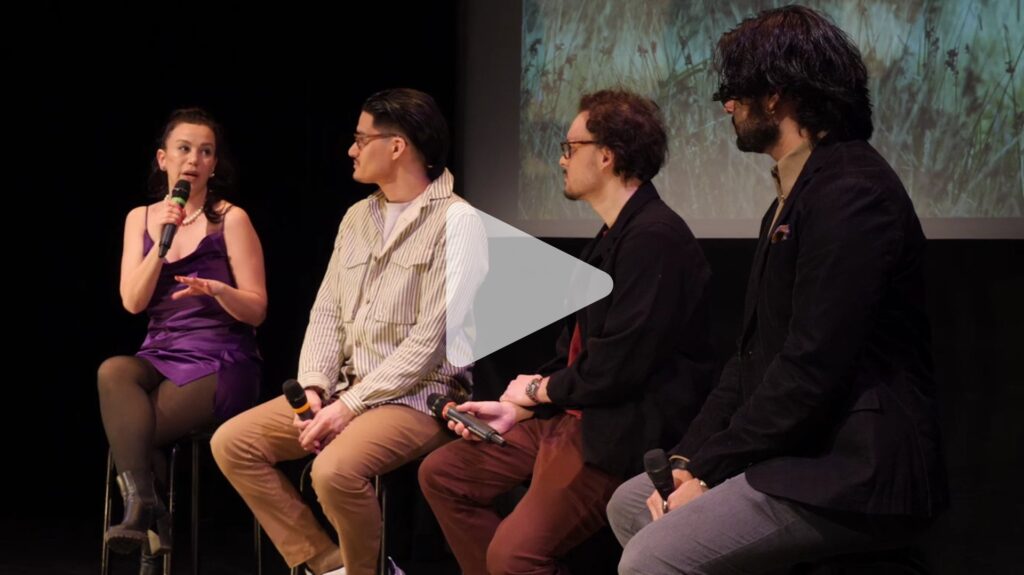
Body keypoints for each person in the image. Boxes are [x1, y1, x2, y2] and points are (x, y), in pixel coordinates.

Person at [607, 6, 948, 574]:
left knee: (651, 558)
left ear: (777, 95)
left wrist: (712, 469)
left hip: (850, 467)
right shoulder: (790, 200)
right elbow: (747, 364)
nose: (726, 105)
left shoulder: (852, 193)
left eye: (735, 90)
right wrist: (689, 458)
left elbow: (811, 366)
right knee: (630, 504)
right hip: (806, 450)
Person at [418, 89, 715, 575]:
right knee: (444, 474)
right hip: (571, 416)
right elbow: (574, 354)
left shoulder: (655, 240)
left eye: (569, 147)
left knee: (513, 555)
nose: (561, 159)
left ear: (606, 155)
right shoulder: (609, 237)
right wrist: (516, 407)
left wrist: (537, 391)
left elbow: (618, 368)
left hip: (614, 429)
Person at [211, 88, 486, 575]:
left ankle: (368, 571)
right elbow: (327, 313)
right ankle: (330, 563)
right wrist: (316, 388)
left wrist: (348, 409)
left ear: (397, 146)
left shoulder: (458, 221)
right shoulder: (359, 216)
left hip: (420, 396)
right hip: (346, 388)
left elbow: (428, 345)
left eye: (362, 139)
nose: (351, 149)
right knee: (233, 443)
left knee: (334, 471)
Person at [98, 108, 266, 568]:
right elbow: (133, 302)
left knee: (136, 431)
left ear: (214, 165)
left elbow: (258, 308)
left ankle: (147, 523)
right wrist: (164, 246)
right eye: (184, 149)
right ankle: (149, 514)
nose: (194, 159)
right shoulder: (142, 218)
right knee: (114, 372)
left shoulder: (232, 219)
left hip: (223, 357)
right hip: (162, 350)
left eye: (205, 151)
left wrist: (219, 290)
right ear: (162, 159)